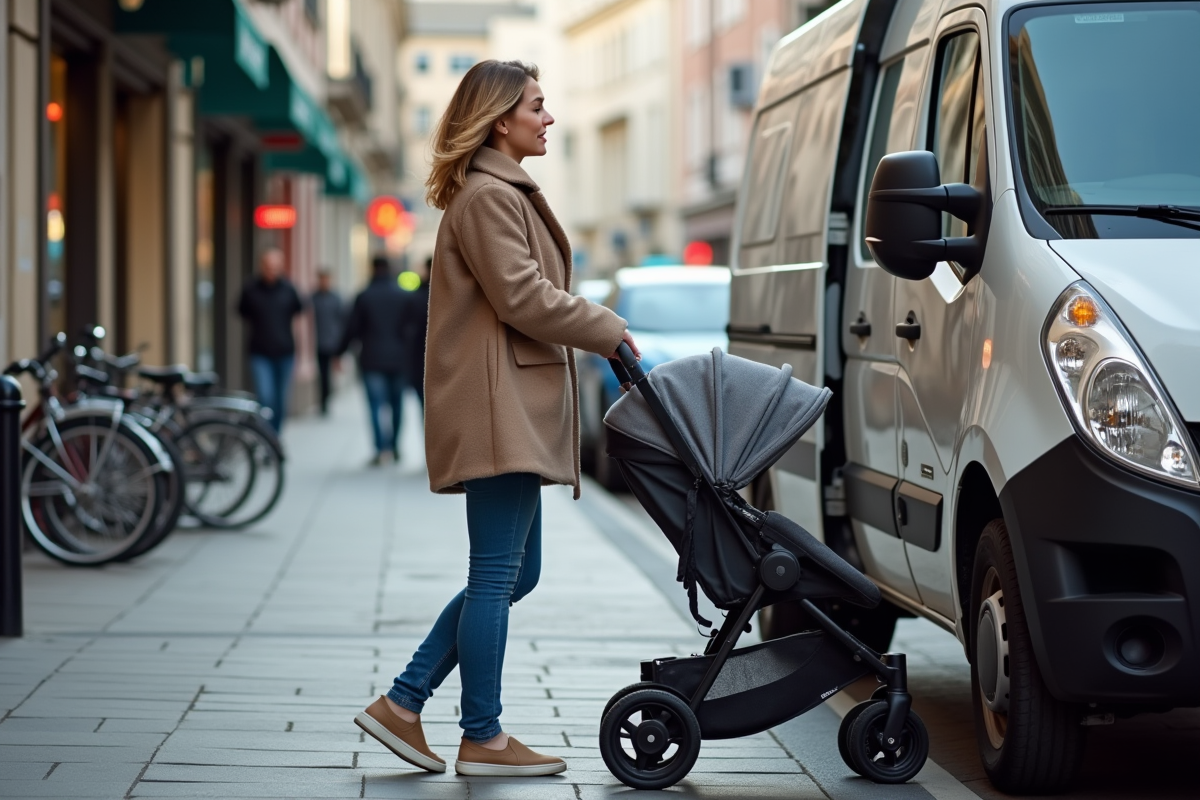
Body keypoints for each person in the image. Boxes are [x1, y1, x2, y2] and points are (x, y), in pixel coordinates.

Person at [353, 59, 640, 778]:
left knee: (516, 574)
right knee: (495, 576)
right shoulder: (489, 197)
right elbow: (523, 297)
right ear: (500, 118)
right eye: (537, 107)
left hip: (507, 404)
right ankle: (480, 735)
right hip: (497, 409)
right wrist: (607, 327)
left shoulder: (494, 192)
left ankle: (405, 700)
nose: (549, 118)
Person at [339, 255, 409, 465]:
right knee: (397, 404)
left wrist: (339, 352)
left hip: (371, 359)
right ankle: (395, 447)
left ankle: (381, 450)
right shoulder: (403, 296)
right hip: (399, 359)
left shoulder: (364, 296)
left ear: (372, 269)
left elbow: (352, 328)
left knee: (376, 406)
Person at [237, 247, 304, 433]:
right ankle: (265, 435)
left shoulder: (289, 289)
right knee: (265, 397)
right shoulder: (251, 289)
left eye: (275, 267)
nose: (271, 270)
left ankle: (274, 437)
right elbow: (242, 312)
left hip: (285, 352)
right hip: (259, 352)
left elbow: (299, 315)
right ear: (261, 266)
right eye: (268, 266)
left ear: (281, 267)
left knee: (281, 400)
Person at [311, 270, 344, 416]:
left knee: (331, 375)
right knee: (323, 374)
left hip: (333, 343)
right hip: (318, 343)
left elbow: (343, 321)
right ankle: (323, 402)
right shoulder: (313, 298)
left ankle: (328, 399)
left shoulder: (336, 299)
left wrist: (341, 346)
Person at [402, 257, 431, 409]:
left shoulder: (416, 297)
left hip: (421, 362)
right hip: (450, 363)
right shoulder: (456, 297)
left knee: (425, 407)